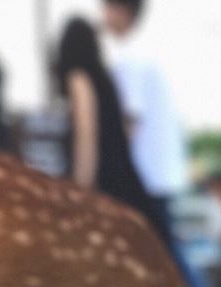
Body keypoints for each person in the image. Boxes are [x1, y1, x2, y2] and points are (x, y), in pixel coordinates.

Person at [99, 0, 213, 287]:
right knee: (160, 241)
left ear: (125, 13)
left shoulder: (129, 59)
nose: (103, 16)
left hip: (145, 170)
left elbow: (131, 119)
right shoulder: (143, 55)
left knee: (161, 243)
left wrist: (117, 165)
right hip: (159, 168)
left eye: (108, 9)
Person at [54, 17, 169, 247]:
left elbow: (87, 141)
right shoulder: (102, 77)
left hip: (109, 190)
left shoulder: (78, 77)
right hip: (127, 185)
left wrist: (79, 195)